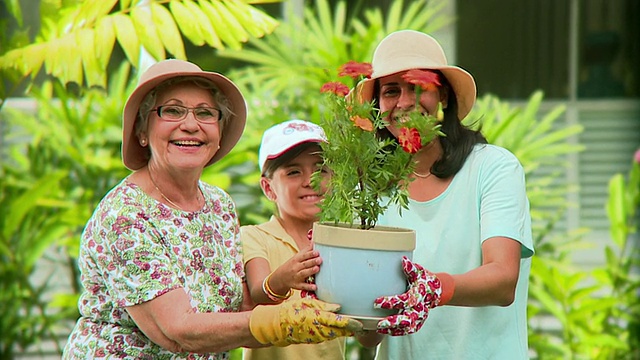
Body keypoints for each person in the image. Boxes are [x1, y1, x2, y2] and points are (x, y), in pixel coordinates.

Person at [62, 59, 361, 359]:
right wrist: (281, 322)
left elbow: (238, 309)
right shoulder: (124, 215)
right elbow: (177, 331)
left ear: (218, 134)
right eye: (173, 110)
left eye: (205, 113)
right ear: (142, 131)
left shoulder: (219, 205)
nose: (190, 125)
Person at [354, 30, 535, 359]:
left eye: (419, 87)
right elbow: (369, 337)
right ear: (377, 107)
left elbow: (503, 279)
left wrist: (435, 288)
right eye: (391, 91)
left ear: (445, 98)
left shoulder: (493, 168)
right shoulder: (370, 188)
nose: (405, 102)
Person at [241, 119, 348, 360]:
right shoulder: (255, 236)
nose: (310, 180)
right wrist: (283, 279)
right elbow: (258, 293)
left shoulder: (342, 241)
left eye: (321, 169)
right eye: (293, 172)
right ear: (269, 189)